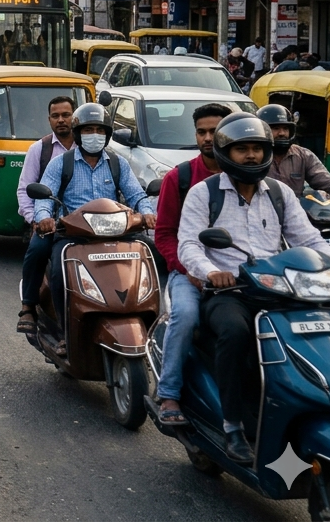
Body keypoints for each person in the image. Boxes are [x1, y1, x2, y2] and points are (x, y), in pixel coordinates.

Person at [178, 113, 330, 463]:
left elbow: (308, 239)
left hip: (281, 289)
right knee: (234, 333)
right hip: (230, 292)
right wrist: (211, 271)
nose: (250, 156)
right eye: (242, 150)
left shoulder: (279, 193)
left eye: (257, 149)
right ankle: (233, 424)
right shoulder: (203, 193)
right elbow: (188, 245)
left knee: (325, 327)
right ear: (224, 153)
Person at [30, 104, 157, 350]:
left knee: (153, 258)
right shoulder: (60, 164)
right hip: (73, 235)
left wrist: (148, 213)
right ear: (78, 133)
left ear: (107, 134)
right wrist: (45, 216)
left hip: (115, 232)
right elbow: (44, 197)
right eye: (88, 129)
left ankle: (154, 329)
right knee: (59, 272)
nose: (94, 134)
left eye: (100, 129)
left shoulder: (118, 164)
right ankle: (65, 332)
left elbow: (137, 195)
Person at [150, 103, 231, 426]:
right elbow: (165, 234)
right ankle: (169, 392)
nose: (208, 138)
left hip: (240, 275)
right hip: (188, 275)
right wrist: (189, 271)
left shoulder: (249, 178)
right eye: (202, 132)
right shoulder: (179, 177)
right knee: (184, 316)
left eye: (216, 131)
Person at [15, 96, 76, 332]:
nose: (61, 120)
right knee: (37, 251)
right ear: (49, 120)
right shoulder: (40, 149)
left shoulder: (91, 149)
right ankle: (28, 306)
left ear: (74, 117)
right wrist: (36, 219)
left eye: (66, 115)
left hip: (88, 224)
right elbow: (25, 189)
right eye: (55, 116)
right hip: (50, 223)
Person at [258, 104, 330, 201]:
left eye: (285, 129)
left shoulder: (303, 155)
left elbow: (329, 183)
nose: (282, 133)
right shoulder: (256, 156)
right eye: (276, 128)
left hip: (295, 212)